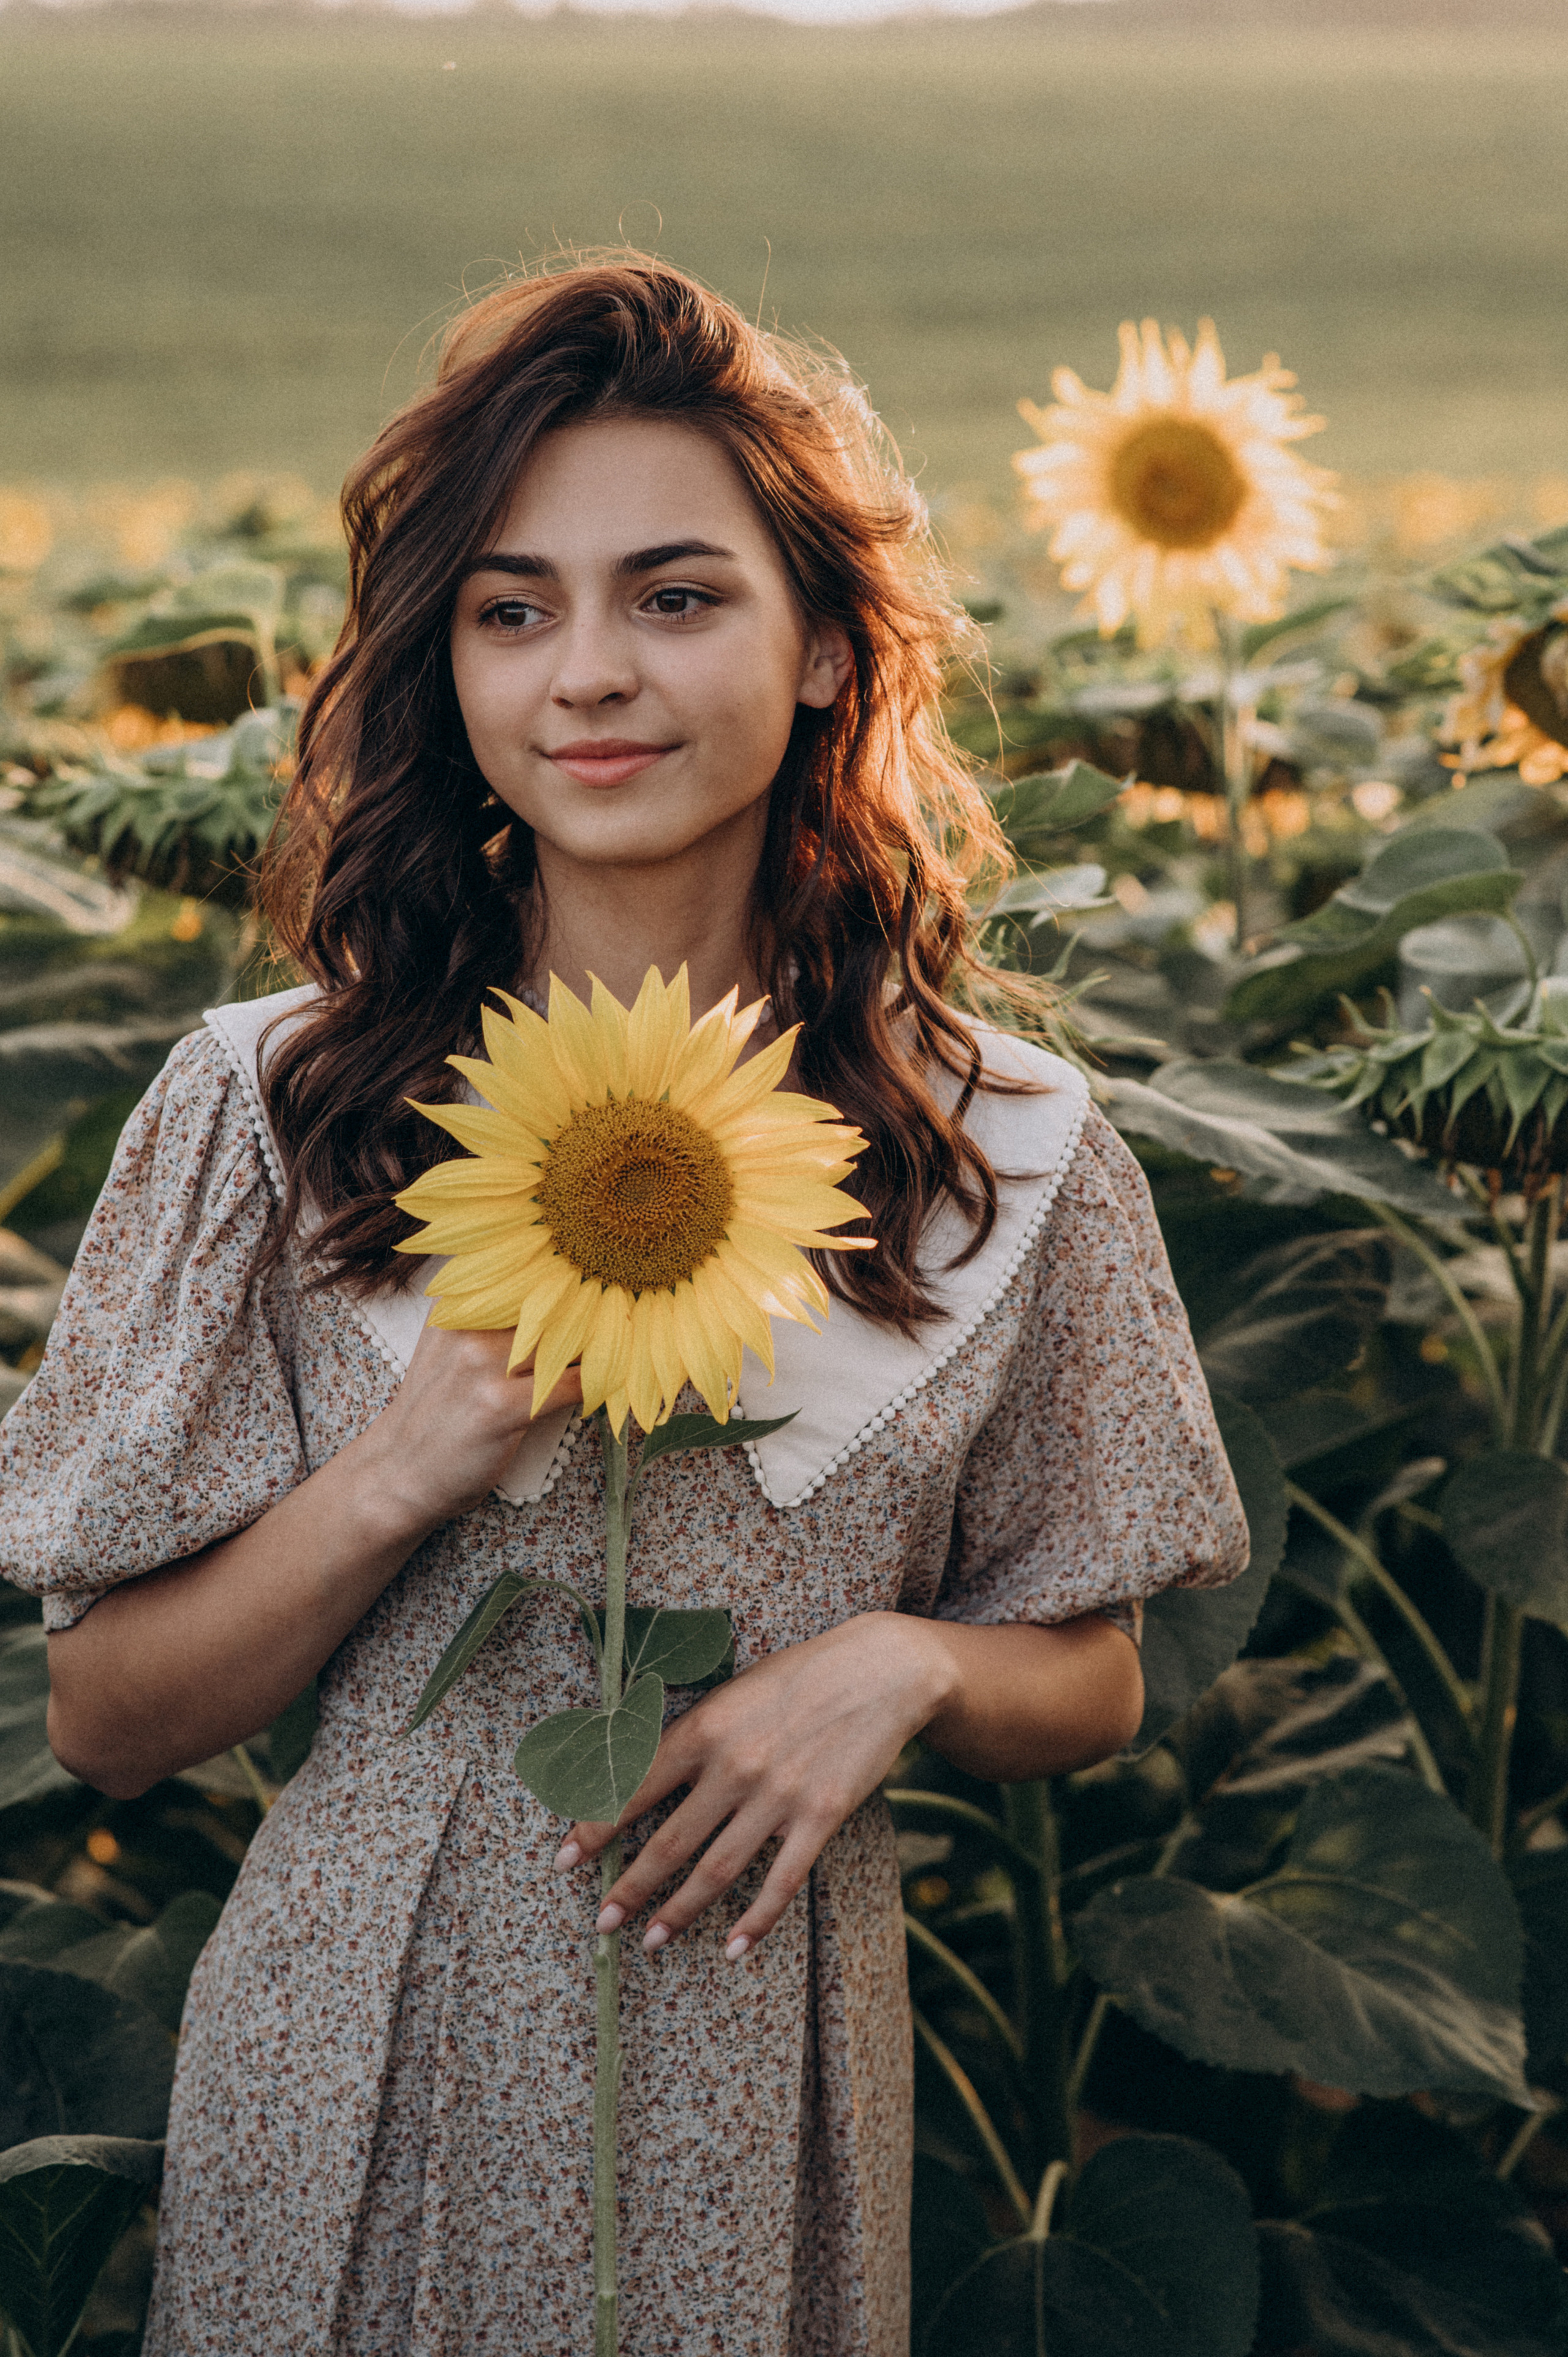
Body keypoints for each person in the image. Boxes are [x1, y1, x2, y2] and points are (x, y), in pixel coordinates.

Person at [1, 254, 1248, 2356]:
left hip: (767, 2073)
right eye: (514, 610)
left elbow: (1096, 1669)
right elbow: (108, 1719)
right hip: (351, 2056)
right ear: (449, 672)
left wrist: (902, 1667)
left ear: (831, 652)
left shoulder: (1012, 1143)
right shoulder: (272, 1105)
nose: (590, 674)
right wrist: (401, 1473)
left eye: (678, 598)